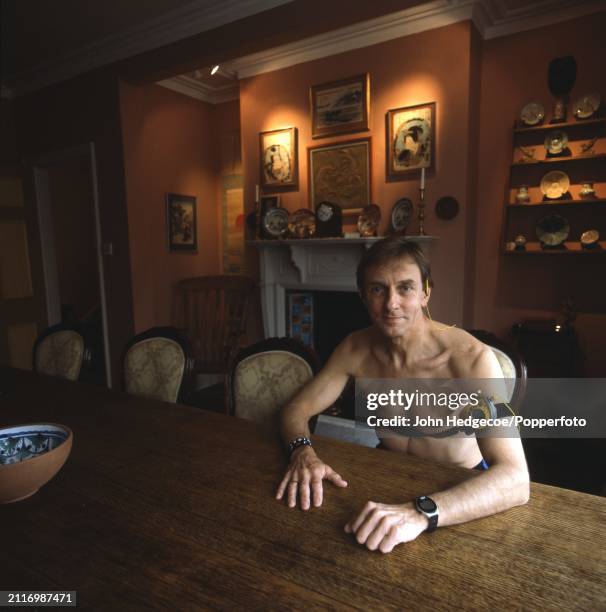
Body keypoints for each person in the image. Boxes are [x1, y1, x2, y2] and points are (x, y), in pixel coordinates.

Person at [276, 236, 529, 553]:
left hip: (457, 490)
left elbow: (516, 479)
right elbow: (295, 410)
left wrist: (420, 512)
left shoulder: (471, 360)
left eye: (405, 288)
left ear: (426, 292)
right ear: (364, 296)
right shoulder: (355, 349)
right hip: (386, 476)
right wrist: (302, 452)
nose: (391, 303)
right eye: (378, 289)